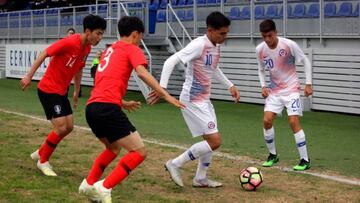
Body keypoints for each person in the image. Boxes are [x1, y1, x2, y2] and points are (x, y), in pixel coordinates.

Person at [78, 16, 185, 202]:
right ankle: (104, 188)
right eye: (140, 38)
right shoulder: (131, 48)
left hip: (92, 108)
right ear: (135, 35)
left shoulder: (109, 50)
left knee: (112, 148)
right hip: (107, 109)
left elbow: (104, 82)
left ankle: (88, 184)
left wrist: (122, 102)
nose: (140, 42)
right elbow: (142, 73)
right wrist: (165, 94)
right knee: (139, 152)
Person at [148, 11, 240, 188]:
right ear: (210, 30)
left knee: (210, 142)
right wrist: (162, 89)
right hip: (192, 100)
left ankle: (200, 178)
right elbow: (171, 61)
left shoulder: (216, 46)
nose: (225, 37)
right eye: (222, 33)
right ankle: (174, 164)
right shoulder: (198, 45)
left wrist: (230, 85)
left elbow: (213, 68)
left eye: (227, 33)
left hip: (204, 100)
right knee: (215, 141)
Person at [20, 14, 106, 176]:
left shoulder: (87, 47)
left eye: (102, 33)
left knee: (69, 127)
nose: (100, 37)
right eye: (98, 33)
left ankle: (41, 151)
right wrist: (29, 76)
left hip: (62, 91)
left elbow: (79, 68)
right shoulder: (69, 42)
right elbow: (45, 53)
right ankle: (43, 161)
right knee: (60, 127)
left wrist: (76, 90)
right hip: (48, 89)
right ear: (88, 31)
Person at [255, 19, 312, 171]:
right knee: (267, 121)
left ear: (276, 32)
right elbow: (261, 69)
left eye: (270, 35)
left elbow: (305, 61)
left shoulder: (288, 45)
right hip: (274, 92)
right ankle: (273, 155)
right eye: (264, 36)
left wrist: (308, 83)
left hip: (291, 90)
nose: (267, 39)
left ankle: (304, 160)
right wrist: (263, 86)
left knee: (293, 121)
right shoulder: (260, 49)